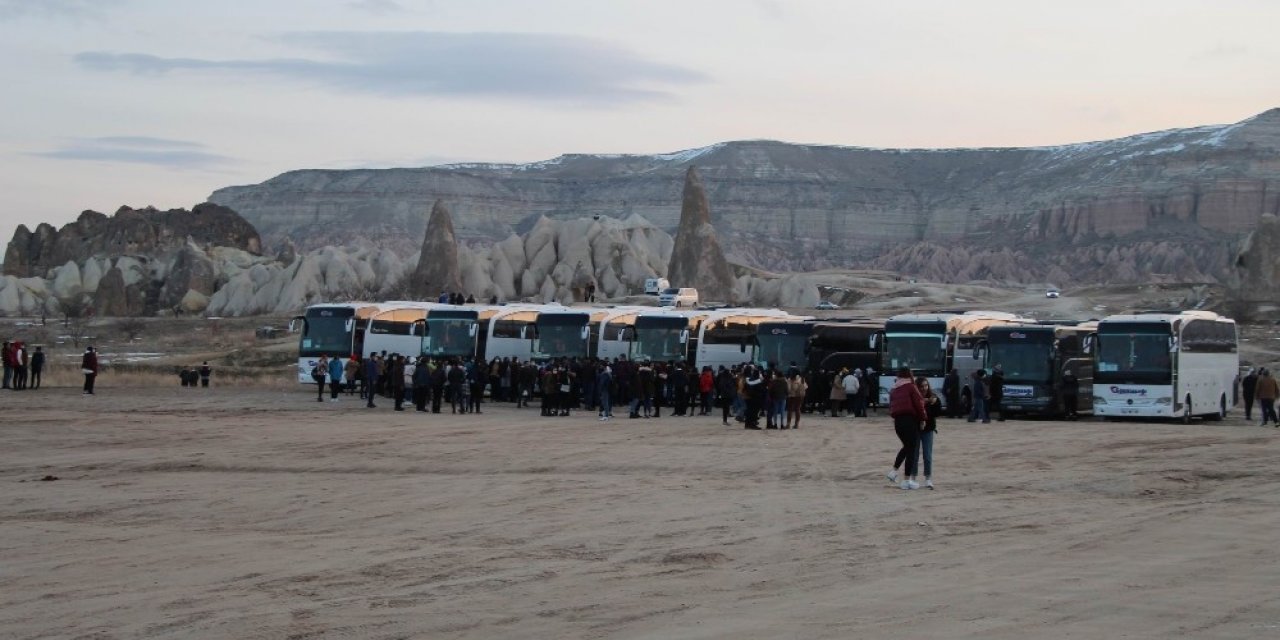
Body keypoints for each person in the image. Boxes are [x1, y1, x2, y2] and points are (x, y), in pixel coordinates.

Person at [886, 367, 926, 490]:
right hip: (910, 420)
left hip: (898, 422)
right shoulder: (911, 387)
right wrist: (923, 418)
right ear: (909, 375)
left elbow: (891, 407)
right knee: (912, 450)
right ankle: (907, 480)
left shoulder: (894, 389)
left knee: (907, 447)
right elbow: (919, 404)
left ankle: (894, 472)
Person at [742, 365, 765, 429]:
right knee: (754, 412)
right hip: (756, 398)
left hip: (749, 397)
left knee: (749, 411)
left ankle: (747, 424)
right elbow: (761, 389)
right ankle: (753, 424)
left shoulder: (748, 379)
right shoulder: (757, 381)